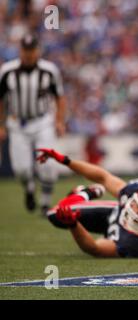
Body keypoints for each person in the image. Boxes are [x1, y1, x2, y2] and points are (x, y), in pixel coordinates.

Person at [35, 148, 138, 258]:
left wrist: (73, 225)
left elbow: (95, 249)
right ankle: (88, 193)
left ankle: (82, 194)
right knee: (55, 214)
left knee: (59, 215)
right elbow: (103, 177)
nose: (133, 208)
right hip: (114, 212)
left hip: (115, 229)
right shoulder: (134, 192)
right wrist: (66, 161)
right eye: (136, 203)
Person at [0, 33, 66, 215]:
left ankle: (45, 203)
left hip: (42, 120)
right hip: (17, 123)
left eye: (32, 50)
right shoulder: (7, 71)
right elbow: (1, 99)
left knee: (46, 164)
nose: (28, 54)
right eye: (25, 50)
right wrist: (1, 125)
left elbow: (59, 96)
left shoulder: (49, 70)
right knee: (21, 169)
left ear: (37, 51)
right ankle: (29, 188)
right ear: (20, 50)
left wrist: (59, 121)